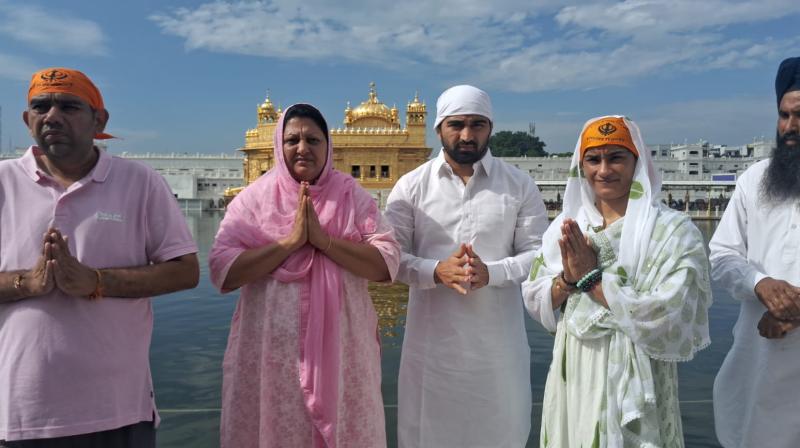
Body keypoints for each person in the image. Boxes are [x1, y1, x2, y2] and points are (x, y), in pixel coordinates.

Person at [0, 68, 199, 447]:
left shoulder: (139, 183)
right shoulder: (3, 183)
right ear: (27, 120)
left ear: (99, 120)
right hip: (20, 413)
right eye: (40, 106)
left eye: (69, 106)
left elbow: (185, 271)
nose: (52, 116)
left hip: (118, 410)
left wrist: (96, 281)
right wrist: (27, 283)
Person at [208, 103, 400, 448]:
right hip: (272, 358)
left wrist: (324, 241)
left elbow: (387, 262)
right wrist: (290, 242)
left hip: (343, 356)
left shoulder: (350, 197)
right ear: (278, 148)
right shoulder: (253, 201)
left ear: (329, 148)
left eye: (313, 140)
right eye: (292, 139)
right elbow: (222, 271)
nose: (302, 148)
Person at [523, 116, 711, 447]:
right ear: (581, 167)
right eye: (594, 159)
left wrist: (594, 282)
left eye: (616, 158)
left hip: (641, 370)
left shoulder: (671, 232)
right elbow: (537, 299)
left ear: (637, 163)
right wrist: (568, 278)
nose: (604, 170)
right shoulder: (568, 228)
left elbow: (672, 310)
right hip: (578, 367)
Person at [385, 85, 549, 447]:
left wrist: (493, 272)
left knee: (501, 434)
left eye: (477, 124)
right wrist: (435, 271)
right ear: (439, 128)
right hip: (431, 354)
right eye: (456, 124)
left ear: (490, 128)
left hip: (498, 352)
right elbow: (390, 259)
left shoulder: (519, 185)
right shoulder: (411, 187)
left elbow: (539, 256)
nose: (467, 134)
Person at [710, 56, 800, 447]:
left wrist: (794, 311)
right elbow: (722, 255)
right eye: (784, 115)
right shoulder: (755, 180)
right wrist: (759, 282)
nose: (790, 128)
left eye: (799, 115)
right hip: (759, 365)